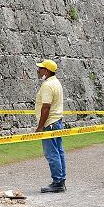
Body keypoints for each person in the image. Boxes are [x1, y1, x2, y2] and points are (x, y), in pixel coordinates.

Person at [34, 58, 66, 193]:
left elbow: (46, 107)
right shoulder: (56, 83)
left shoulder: (47, 85)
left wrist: (40, 126)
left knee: (52, 153)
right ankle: (61, 180)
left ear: (46, 71)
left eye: (40, 68)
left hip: (50, 124)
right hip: (57, 121)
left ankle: (57, 182)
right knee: (59, 152)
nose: (38, 70)